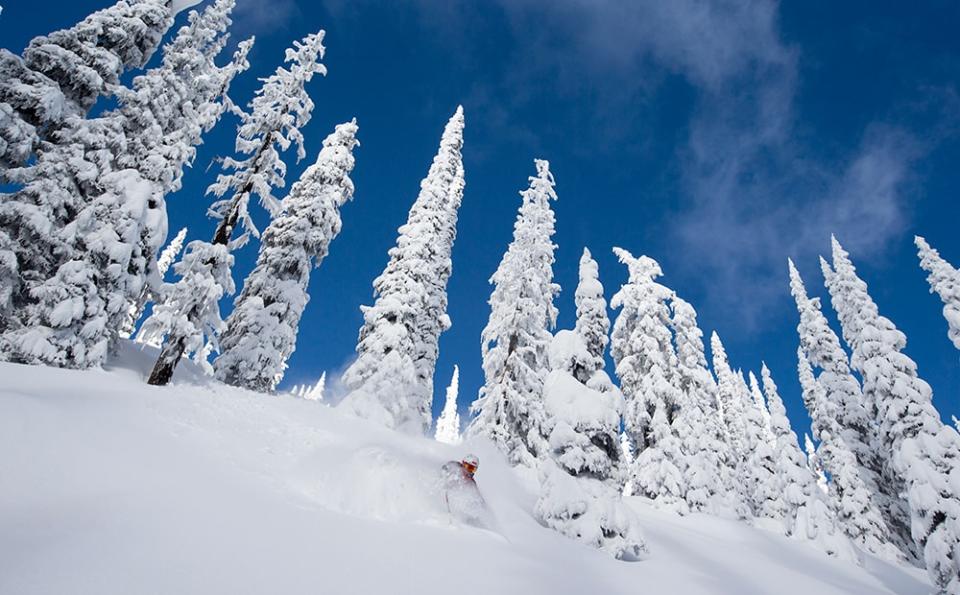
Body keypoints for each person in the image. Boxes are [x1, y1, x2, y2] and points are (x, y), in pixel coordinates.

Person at [441, 454, 486, 523]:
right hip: (443, 495)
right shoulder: (454, 466)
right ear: (463, 464)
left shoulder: (471, 482)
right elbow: (443, 471)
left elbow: (478, 498)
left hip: (455, 505)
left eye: (472, 469)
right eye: (468, 467)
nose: (469, 471)